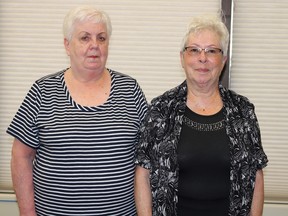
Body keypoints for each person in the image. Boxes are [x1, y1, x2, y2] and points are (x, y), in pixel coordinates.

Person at [7, 5, 148, 216]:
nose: (94, 45)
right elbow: (21, 156)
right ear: (67, 45)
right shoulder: (43, 91)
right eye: (84, 38)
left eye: (101, 38)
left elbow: (146, 158)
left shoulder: (130, 90)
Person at [134, 14, 268, 216]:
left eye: (211, 51)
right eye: (194, 50)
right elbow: (143, 173)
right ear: (182, 58)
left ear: (222, 60)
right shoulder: (161, 109)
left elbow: (256, 175)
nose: (202, 58)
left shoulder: (243, 111)